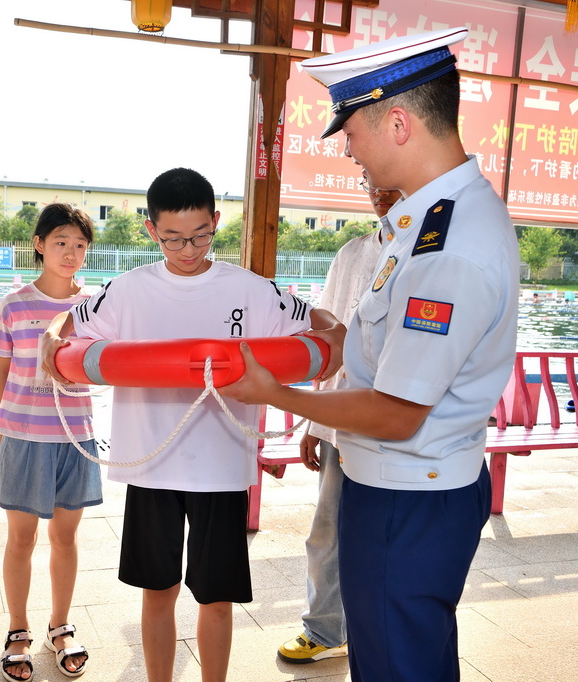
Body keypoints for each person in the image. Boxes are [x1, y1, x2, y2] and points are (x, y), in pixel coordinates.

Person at [221, 27, 519, 682]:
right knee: (409, 659)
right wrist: (328, 343)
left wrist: (275, 393)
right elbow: (379, 346)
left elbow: (397, 412)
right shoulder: (421, 225)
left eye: (352, 131)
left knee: (396, 667)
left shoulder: (452, 246)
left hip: (406, 502)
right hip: (397, 491)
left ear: (400, 122)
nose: (349, 149)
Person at [40, 168, 344, 682]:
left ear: (216, 222)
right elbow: (66, 328)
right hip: (153, 466)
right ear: (151, 230)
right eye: (173, 238)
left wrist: (333, 337)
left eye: (201, 235)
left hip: (221, 469)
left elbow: (319, 325)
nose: (187, 249)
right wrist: (51, 339)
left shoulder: (249, 288)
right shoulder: (128, 290)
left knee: (217, 597)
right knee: (157, 591)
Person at [277, 172, 402, 665]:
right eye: (369, 179)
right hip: (341, 419)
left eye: (385, 178)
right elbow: (327, 345)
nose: (376, 187)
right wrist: (314, 424)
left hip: (395, 423)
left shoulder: (425, 251)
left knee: (384, 537)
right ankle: (326, 630)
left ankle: (378, 631)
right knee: (326, 530)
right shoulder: (351, 253)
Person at [0, 203, 101, 681]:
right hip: (24, 434)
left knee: (65, 537)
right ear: (39, 244)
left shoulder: (94, 305)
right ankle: (19, 629)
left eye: (80, 245)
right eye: (61, 242)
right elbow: (2, 369)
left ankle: (61, 625)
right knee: (21, 538)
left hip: (76, 436)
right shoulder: (15, 303)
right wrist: (0, 425)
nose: (71, 253)